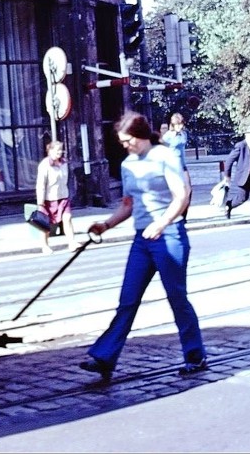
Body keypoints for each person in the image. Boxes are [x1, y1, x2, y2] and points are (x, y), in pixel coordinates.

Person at [79, 111, 206, 380]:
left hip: (169, 235)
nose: (125, 146)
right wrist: (106, 224)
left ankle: (195, 356)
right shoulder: (128, 165)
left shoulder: (165, 156)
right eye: (122, 142)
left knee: (176, 297)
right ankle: (104, 357)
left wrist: (161, 223)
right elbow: (129, 203)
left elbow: (181, 195)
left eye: (128, 141)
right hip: (142, 239)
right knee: (128, 300)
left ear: (140, 135)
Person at [35, 140, 78, 253]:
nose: (59, 152)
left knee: (67, 219)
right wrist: (40, 202)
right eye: (57, 150)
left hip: (63, 197)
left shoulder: (64, 163)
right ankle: (45, 246)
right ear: (50, 151)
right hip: (49, 199)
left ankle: (72, 242)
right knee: (45, 224)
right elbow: (41, 184)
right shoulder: (44, 165)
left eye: (61, 150)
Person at [222, 124, 250, 225]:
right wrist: (227, 175)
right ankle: (229, 205)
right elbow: (229, 160)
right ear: (248, 135)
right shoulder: (240, 146)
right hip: (244, 177)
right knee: (242, 198)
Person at [161, 112, 192, 219]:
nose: (180, 126)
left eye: (181, 124)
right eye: (178, 125)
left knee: (188, 190)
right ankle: (174, 214)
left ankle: (184, 214)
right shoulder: (167, 137)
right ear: (173, 125)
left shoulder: (184, 134)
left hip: (183, 165)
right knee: (176, 191)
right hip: (172, 167)